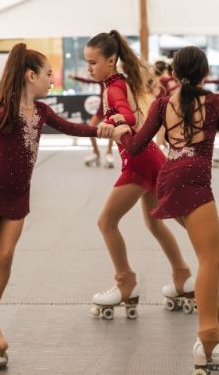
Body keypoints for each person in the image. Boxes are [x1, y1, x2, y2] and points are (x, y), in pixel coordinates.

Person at [112, 46, 219, 375]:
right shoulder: (212, 101)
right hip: (194, 181)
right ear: (205, 72)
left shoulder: (162, 103)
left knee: (208, 254)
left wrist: (118, 130)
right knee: (212, 259)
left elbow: (137, 145)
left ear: (175, 70)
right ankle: (209, 339)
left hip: (169, 176)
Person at [0, 43, 113, 368]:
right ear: (30, 76)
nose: (52, 79)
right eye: (48, 74)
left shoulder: (42, 112)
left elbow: (74, 128)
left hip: (18, 195)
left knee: (6, 257)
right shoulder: (4, 112)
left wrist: (104, 129)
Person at [82, 30, 194, 320]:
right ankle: (183, 276)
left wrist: (118, 121)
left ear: (111, 60)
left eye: (93, 62)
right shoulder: (114, 82)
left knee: (106, 221)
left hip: (139, 161)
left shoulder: (113, 88)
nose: (88, 68)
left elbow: (129, 117)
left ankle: (126, 282)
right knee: (156, 223)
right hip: (148, 157)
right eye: (87, 62)